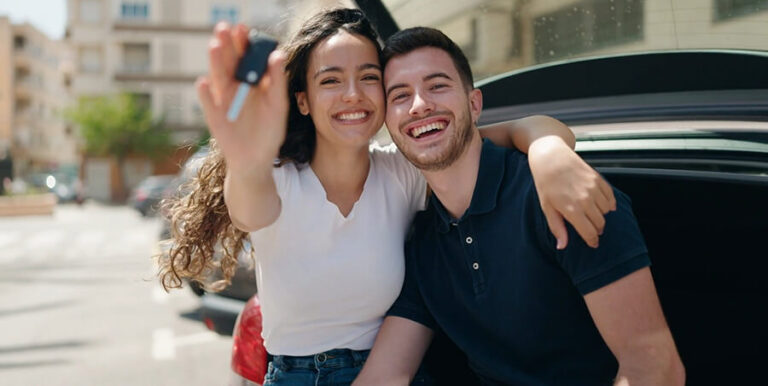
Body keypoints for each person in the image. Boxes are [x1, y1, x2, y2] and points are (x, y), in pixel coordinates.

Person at [160, 9, 615, 386]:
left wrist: (550, 152)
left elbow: (518, 132)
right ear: (302, 101)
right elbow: (250, 207)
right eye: (331, 81)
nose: (353, 95)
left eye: (368, 77)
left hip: (399, 373)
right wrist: (247, 162)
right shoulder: (273, 178)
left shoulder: (405, 171)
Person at [352, 27, 686, 386]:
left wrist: (548, 147)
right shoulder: (423, 242)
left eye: (437, 85)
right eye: (400, 95)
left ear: (474, 104)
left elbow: (654, 370)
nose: (420, 105)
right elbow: (386, 375)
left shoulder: (564, 197)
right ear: (389, 123)